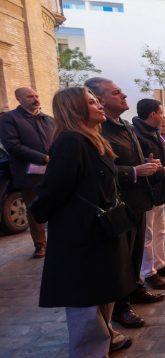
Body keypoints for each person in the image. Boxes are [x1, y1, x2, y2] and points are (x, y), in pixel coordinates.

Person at [30, 87, 136, 356]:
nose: (99, 105)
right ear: (76, 109)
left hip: (101, 230)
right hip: (80, 235)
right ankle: (90, 350)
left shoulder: (92, 139)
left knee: (103, 291)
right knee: (85, 299)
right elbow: (54, 188)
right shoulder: (71, 141)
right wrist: (38, 212)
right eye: (91, 102)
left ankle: (105, 337)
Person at [85, 77, 165, 329]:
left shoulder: (126, 127)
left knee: (135, 251)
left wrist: (149, 165)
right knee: (120, 257)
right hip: (118, 203)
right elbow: (101, 169)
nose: (123, 96)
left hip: (138, 200)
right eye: (116, 93)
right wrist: (134, 171)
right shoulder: (98, 130)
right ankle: (121, 306)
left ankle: (136, 288)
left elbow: (134, 159)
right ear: (100, 100)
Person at [133, 98, 165, 290]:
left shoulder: (154, 132)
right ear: (153, 114)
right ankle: (149, 272)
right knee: (148, 233)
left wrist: (162, 170)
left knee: (160, 229)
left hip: (159, 186)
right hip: (146, 190)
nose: (163, 116)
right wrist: (158, 169)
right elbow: (140, 161)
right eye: (161, 113)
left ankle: (160, 263)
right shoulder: (136, 133)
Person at [0, 87, 54, 258]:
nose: (35, 98)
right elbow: (12, 145)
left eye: (37, 95)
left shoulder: (48, 119)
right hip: (30, 173)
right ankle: (40, 245)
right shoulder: (10, 119)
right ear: (19, 99)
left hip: (53, 170)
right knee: (34, 208)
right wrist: (42, 158)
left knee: (58, 206)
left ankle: (60, 240)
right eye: (30, 96)